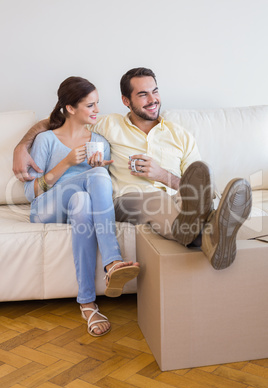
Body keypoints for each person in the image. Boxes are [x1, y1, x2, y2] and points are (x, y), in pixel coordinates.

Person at [14, 68, 252, 271]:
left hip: (179, 200)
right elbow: (62, 119)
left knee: (191, 194)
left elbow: (204, 189)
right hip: (127, 200)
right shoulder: (108, 125)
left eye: (155, 91)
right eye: (143, 94)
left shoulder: (181, 135)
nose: (153, 99)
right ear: (126, 101)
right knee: (155, 199)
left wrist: (163, 175)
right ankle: (213, 225)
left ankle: (211, 235)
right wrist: (22, 145)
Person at [23, 76, 140, 337]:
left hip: (78, 208)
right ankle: (113, 261)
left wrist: (99, 171)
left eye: (98, 103)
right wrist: (65, 163)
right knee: (95, 178)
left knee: (84, 201)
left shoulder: (99, 141)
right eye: (90, 105)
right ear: (70, 108)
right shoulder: (46, 140)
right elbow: (30, 194)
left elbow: (100, 194)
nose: (97, 110)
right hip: (46, 209)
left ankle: (87, 304)